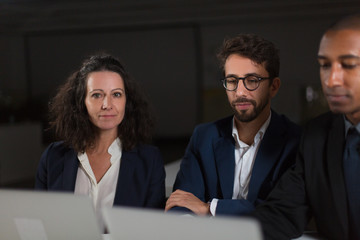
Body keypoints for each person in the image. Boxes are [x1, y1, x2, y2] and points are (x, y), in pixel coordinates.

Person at [165, 34, 301, 216]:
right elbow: (181, 204)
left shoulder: (296, 141)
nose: (240, 92)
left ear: (273, 87)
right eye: (232, 81)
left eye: (252, 80)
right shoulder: (203, 137)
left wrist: (209, 208)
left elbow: (283, 211)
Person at [253, 14, 360, 240]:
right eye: (324, 65)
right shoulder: (316, 135)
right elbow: (283, 213)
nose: (331, 81)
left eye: (348, 65)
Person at [35, 53, 165, 230]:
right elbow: (40, 223)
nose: (107, 104)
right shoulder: (53, 157)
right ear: (82, 102)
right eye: (97, 95)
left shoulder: (149, 161)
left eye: (116, 94)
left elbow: (152, 230)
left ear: (127, 101)